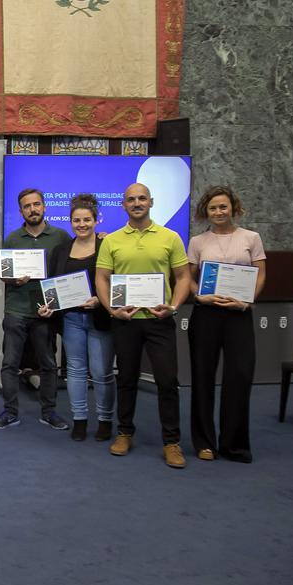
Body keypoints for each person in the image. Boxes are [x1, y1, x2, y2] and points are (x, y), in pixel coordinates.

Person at [95, 183, 193, 468]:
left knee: (167, 381)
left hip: (159, 320)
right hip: (126, 322)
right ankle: (124, 432)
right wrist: (112, 309)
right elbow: (102, 278)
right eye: (131, 199)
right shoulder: (112, 240)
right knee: (126, 379)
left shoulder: (170, 237)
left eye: (141, 198)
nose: (136, 203)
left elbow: (183, 277)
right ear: (123, 205)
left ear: (151, 202)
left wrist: (173, 306)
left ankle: (171, 442)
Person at [187, 186, 266, 463]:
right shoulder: (197, 242)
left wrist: (246, 301)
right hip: (206, 315)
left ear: (233, 207)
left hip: (239, 315)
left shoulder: (251, 238)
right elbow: (189, 278)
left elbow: (260, 275)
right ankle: (205, 443)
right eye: (213, 208)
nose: (218, 212)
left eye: (223, 207)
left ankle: (234, 445)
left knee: (239, 377)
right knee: (202, 377)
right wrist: (199, 295)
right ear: (205, 212)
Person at [0, 189, 72, 431]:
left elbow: (68, 270)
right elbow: (2, 274)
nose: (33, 209)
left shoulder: (61, 237)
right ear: (21, 211)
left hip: (46, 312)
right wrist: (13, 279)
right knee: (10, 363)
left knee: (47, 364)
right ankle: (10, 411)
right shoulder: (13, 238)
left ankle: (49, 412)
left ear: (44, 207)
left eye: (37, 204)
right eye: (27, 206)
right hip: (16, 310)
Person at [37, 194, 116, 441]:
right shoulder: (61, 250)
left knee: (102, 372)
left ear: (96, 220)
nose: (81, 224)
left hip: (100, 318)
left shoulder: (107, 246)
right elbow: (53, 286)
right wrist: (48, 306)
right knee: (75, 371)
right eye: (76, 220)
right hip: (71, 319)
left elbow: (116, 281)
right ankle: (79, 420)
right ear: (70, 222)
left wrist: (100, 300)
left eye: (86, 220)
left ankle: (105, 420)